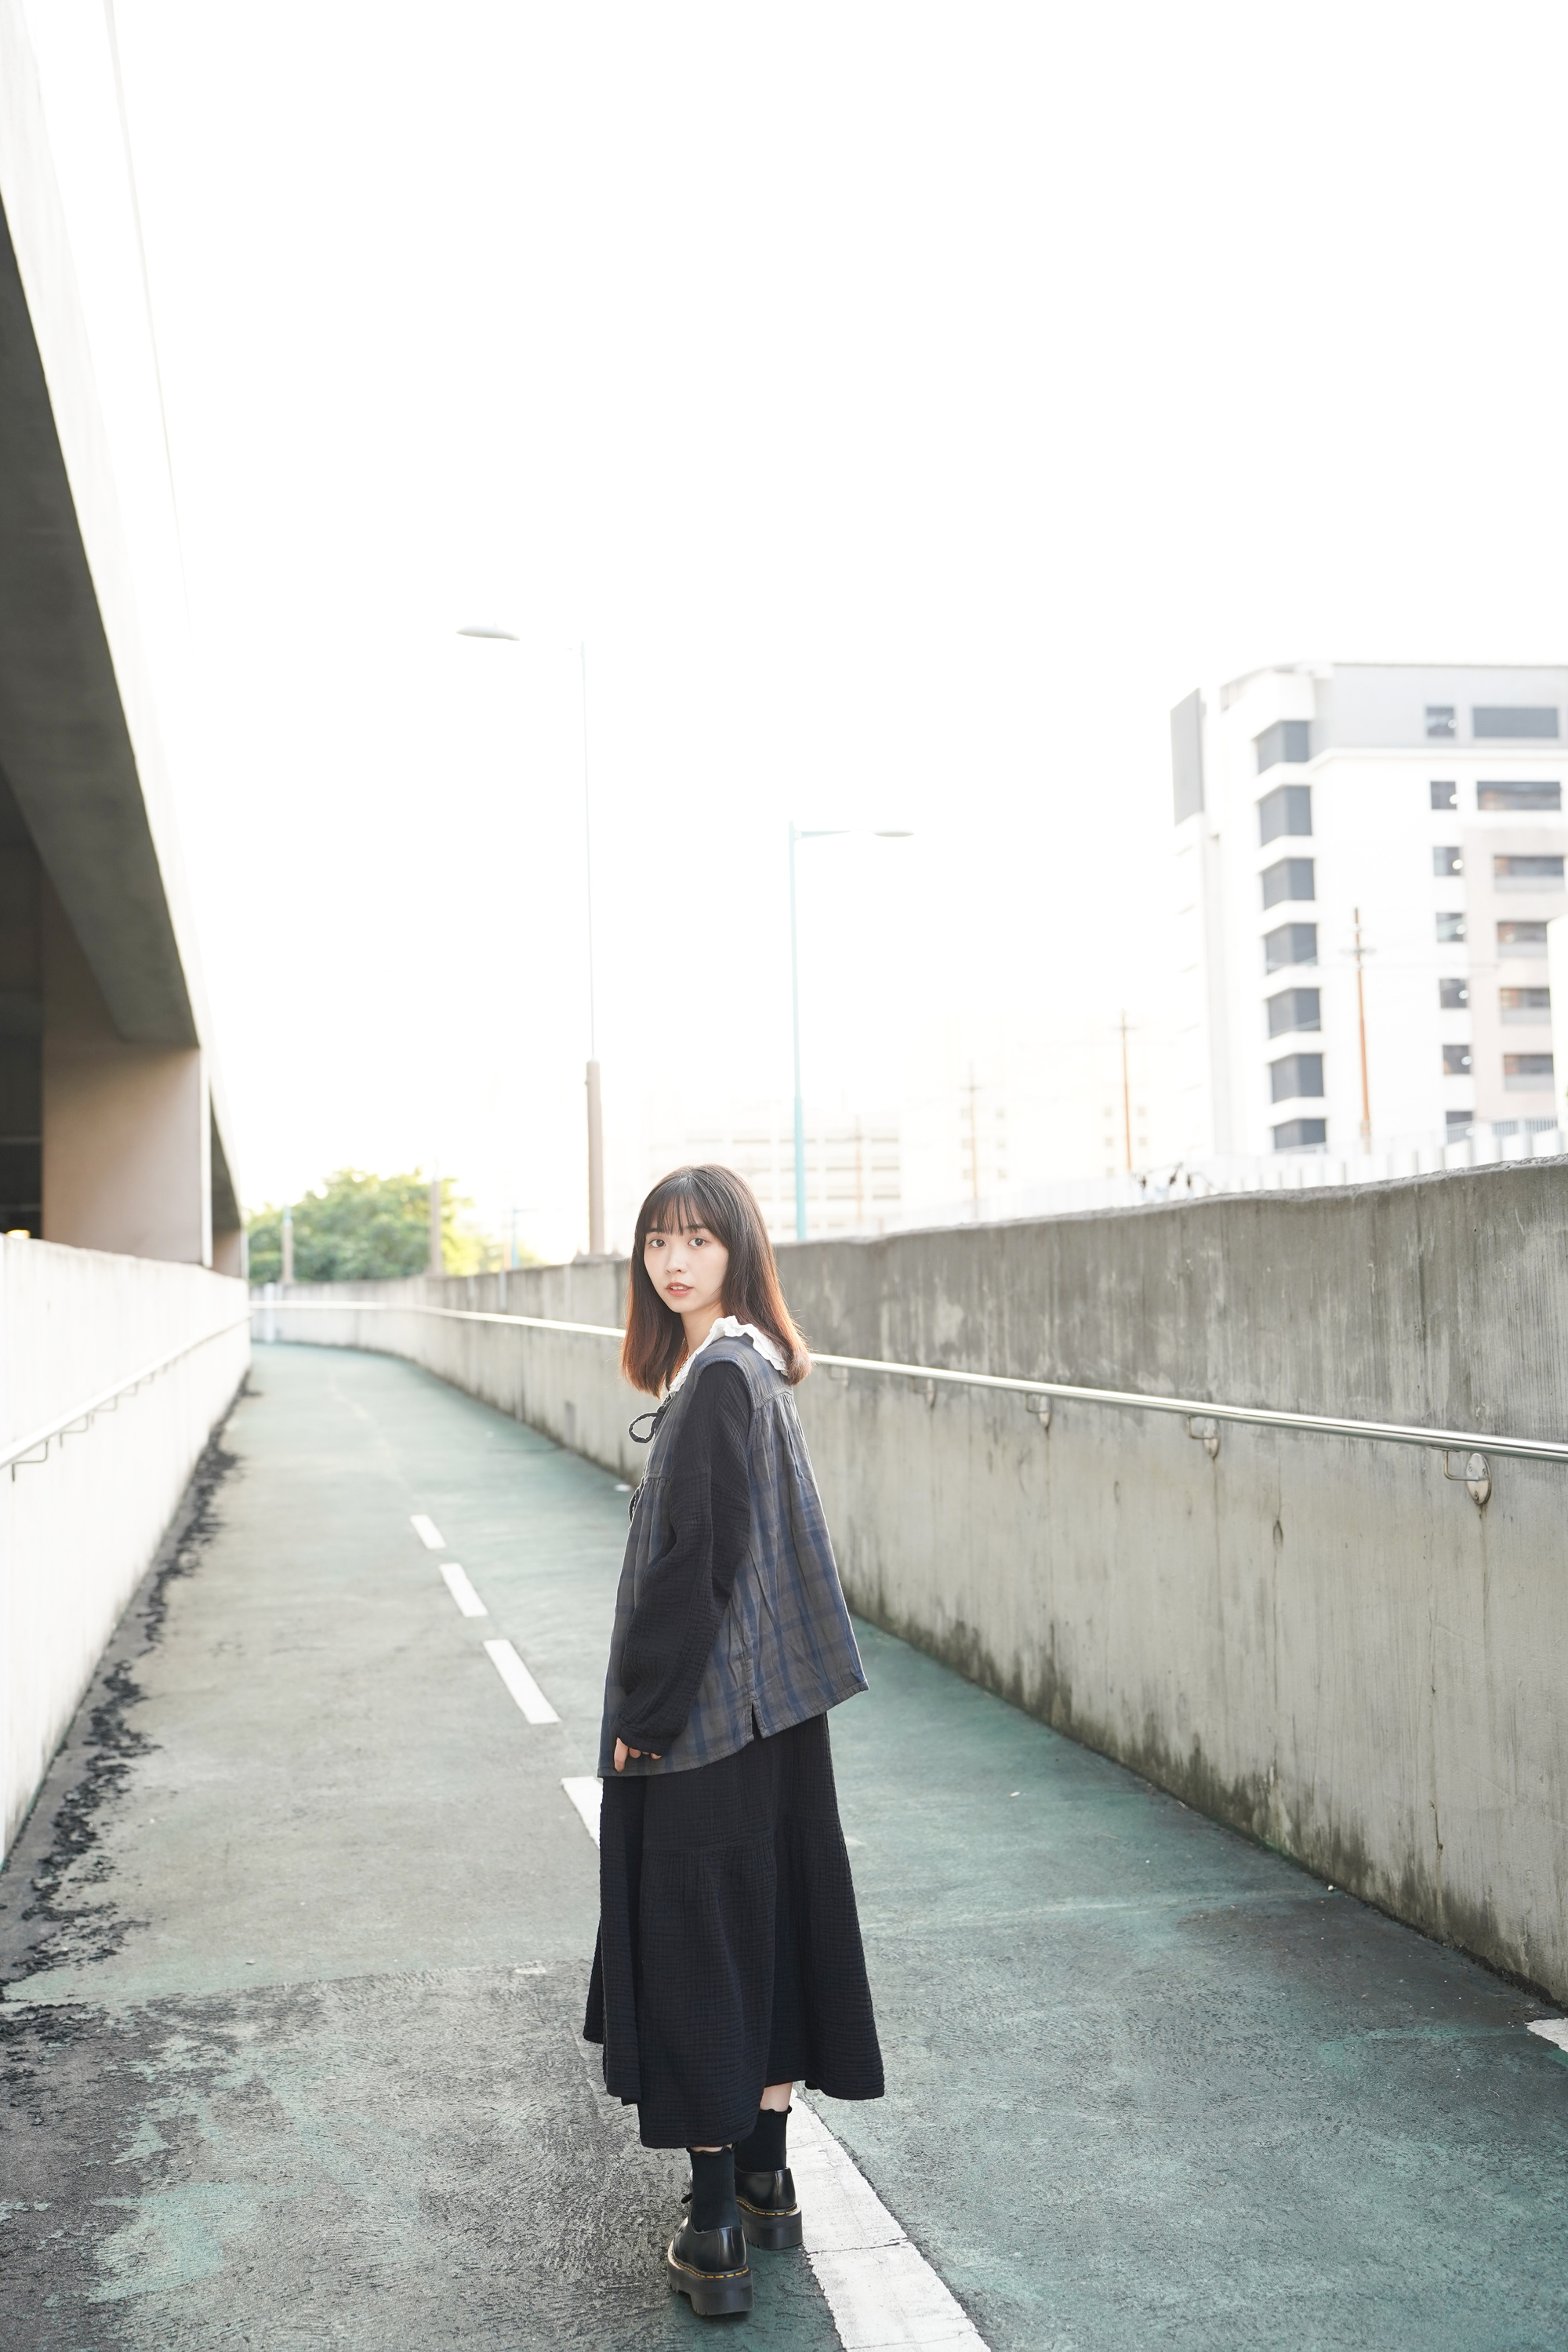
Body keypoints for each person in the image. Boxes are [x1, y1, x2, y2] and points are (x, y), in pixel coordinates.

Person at [583, 1163, 884, 2318]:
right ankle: (767, 2181)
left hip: (708, 1724)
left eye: (698, 1241)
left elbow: (695, 1566)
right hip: (776, 1716)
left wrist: (646, 1719)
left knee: (698, 1948)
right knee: (769, 1931)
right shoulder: (752, 1364)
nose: (674, 1262)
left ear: (737, 1251)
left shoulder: (717, 1378)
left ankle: (713, 2229)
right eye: (658, 1241)